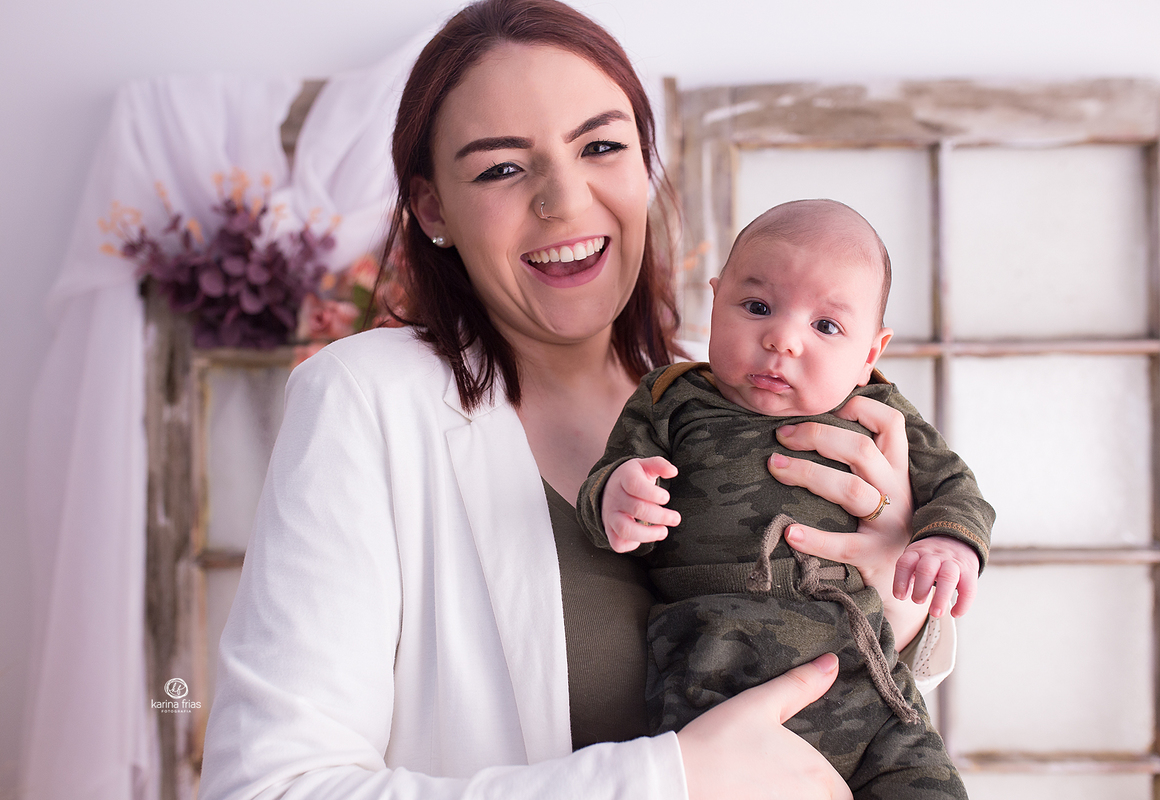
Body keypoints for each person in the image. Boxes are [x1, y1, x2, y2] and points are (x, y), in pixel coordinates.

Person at [199, 4, 957, 800]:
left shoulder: (735, 406)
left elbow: (827, 730)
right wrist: (671, 778)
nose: (565, 201)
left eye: (601, 146)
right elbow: (267, 788)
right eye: (500, 167)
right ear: (432, 209)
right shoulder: (365, 398)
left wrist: (900, 597)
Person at [575, 199, 995, 798]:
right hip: (714, 657)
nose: (782, 339)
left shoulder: (875, 412)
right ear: (715, 301)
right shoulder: (672, 397)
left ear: (871, 353)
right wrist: (617, 496)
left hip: (863, 669)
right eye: (756, 307)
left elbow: (954, 486)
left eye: (826, 326)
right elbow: (608, 474)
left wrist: (948, 541)